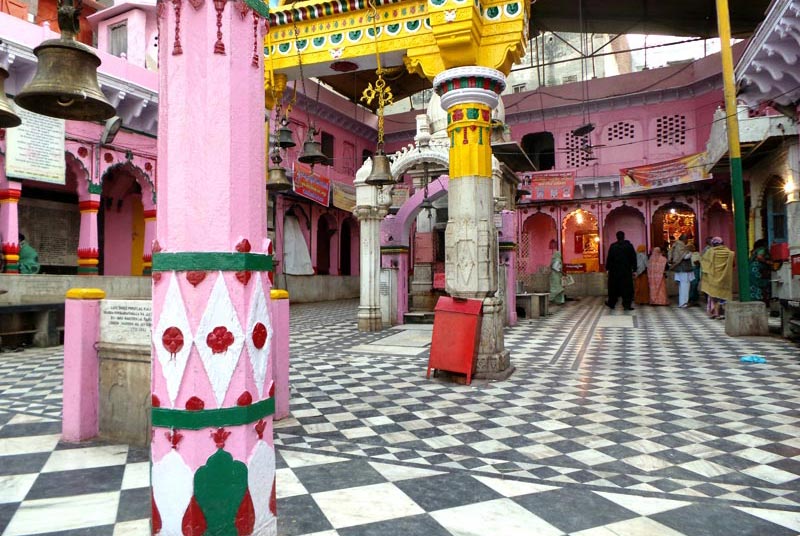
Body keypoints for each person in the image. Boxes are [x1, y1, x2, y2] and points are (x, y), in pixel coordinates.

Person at [701, 236, 734, 319]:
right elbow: (733, 264)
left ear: (713, 244)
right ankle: (722, 313)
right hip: (725, 277)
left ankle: (715, 313)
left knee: (714, 295)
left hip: (713, 277)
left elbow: (704, 263)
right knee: (723, 295)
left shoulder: (710, 252)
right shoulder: (729, 253)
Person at [605, 231, 637, 310]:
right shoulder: (629, 246)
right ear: (624, 236)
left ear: (617, 237)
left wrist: (607, 268)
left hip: (614, 271)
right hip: (626, 270)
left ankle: (611, 303)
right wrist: (634, 269)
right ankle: (627, 305)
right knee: (626, 288)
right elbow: (633, 258)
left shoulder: (613, 246)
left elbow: (609, 258)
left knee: (613, 287)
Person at [668, 233, 694, 308]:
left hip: (679, 268)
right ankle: (683, 303)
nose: (687, 241)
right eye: (687, 239)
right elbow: (684, 257)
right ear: (684, 239)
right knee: (685, 286)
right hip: (683, 268)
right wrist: (691, 252)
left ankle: (683, 302)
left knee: (682, 286)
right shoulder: (681, 246)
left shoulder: (676, 244)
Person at [749, 238, 772, 304]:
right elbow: (759, 257)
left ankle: (754, 299)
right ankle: (759, 300)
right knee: (759, 283)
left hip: (752, 268)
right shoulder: (762, 249)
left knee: (753, 283)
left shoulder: (755, 250)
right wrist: (767, 262)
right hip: (756, 269)